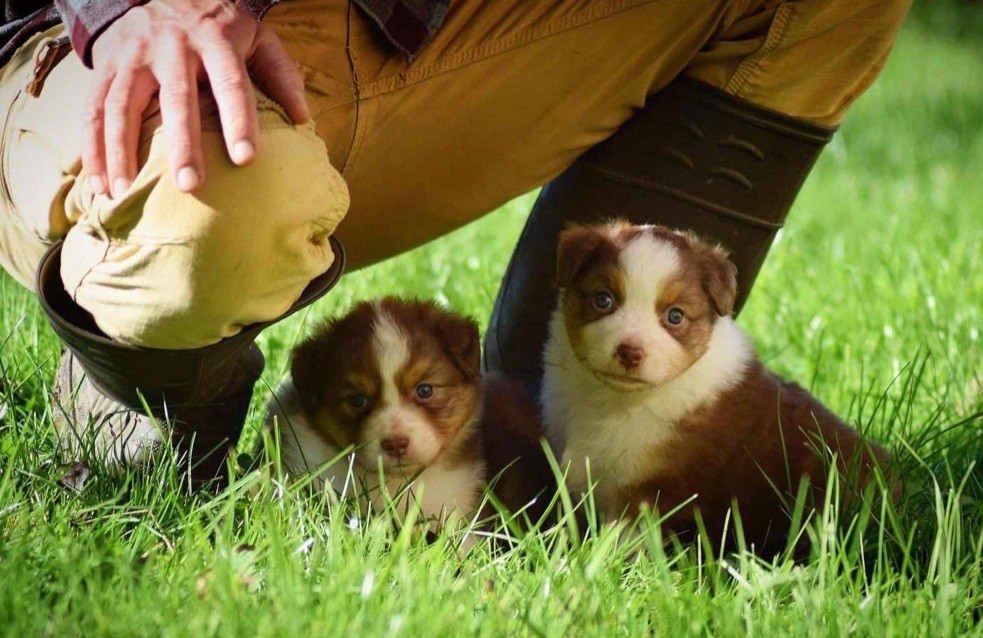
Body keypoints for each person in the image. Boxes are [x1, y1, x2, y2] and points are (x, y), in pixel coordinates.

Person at [0, 0, 912, 487]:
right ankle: (152, 383)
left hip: (411, 24)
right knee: (212, 218)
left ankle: (532, 437)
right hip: (114, 39)